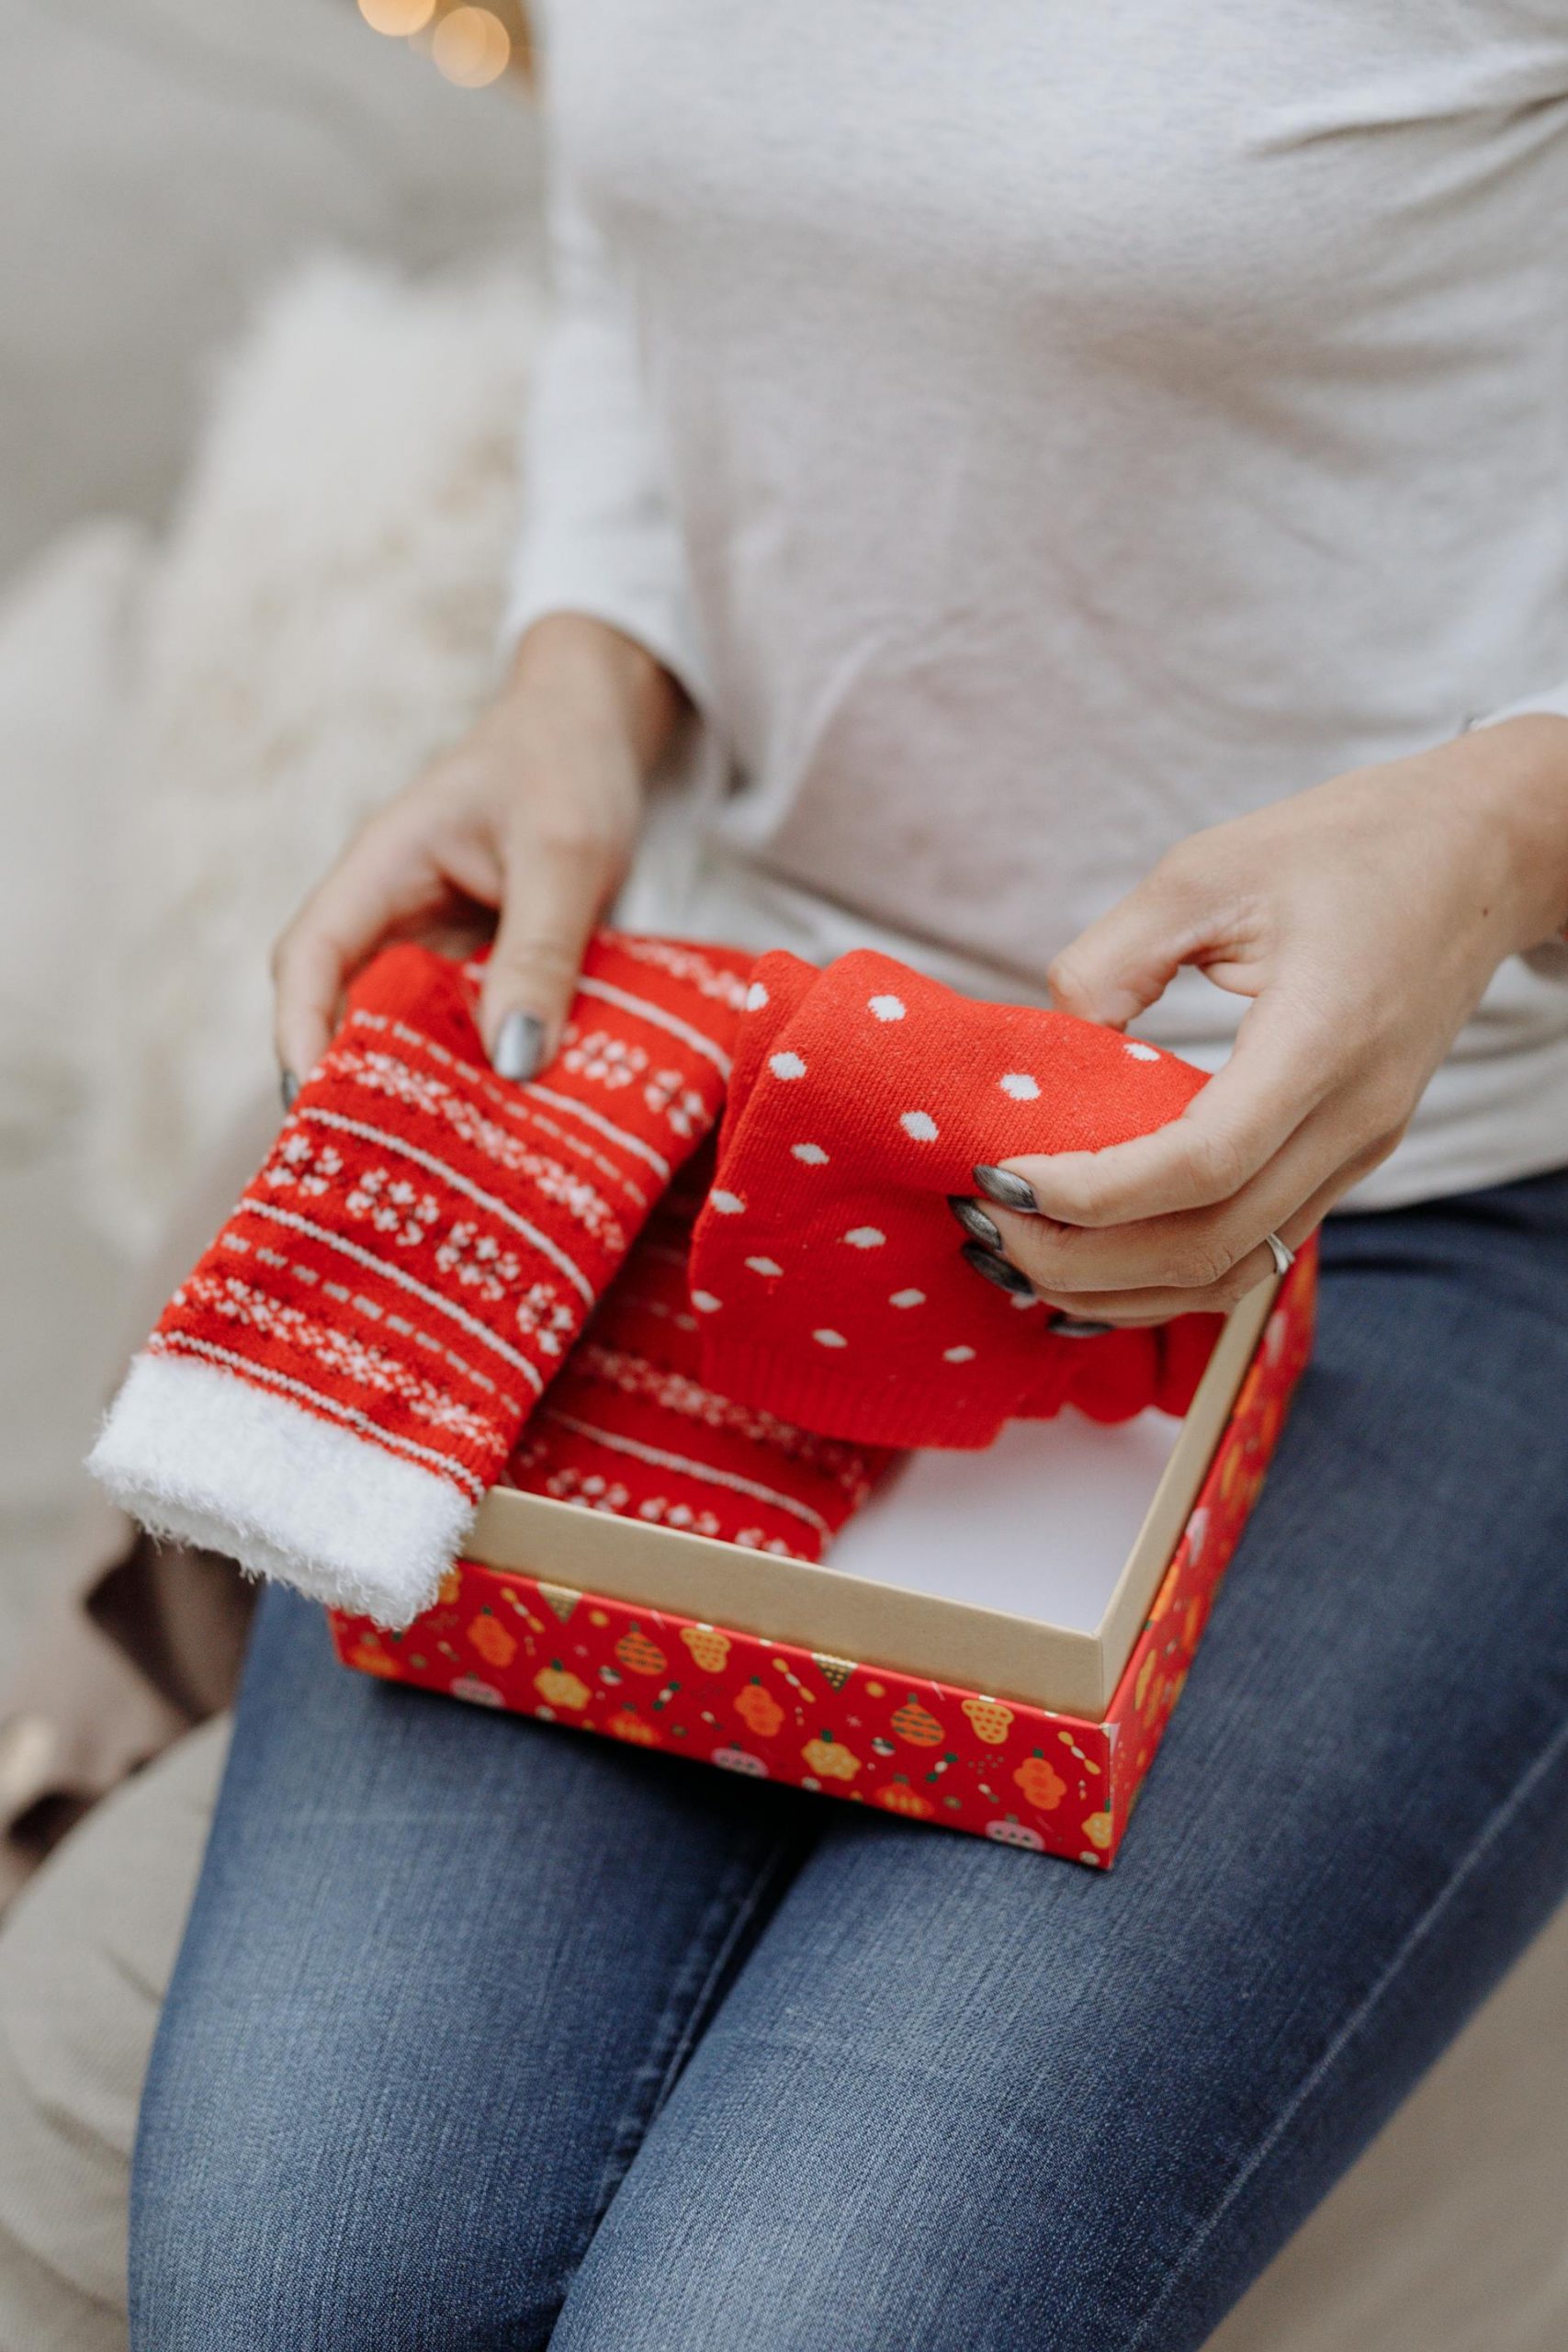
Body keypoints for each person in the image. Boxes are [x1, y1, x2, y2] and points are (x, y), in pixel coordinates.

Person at [130, 6, 1568, 2346]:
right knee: (297, 2285)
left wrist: (1515, 823)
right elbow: (645, 254)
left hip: (1433, 1210)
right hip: (724, 1095)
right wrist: (578, 684)